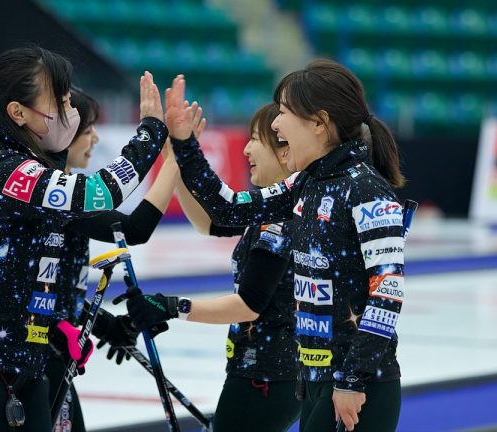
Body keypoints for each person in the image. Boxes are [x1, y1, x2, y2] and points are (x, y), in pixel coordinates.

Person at [0, 45, 184, 431]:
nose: (68, 111)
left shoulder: (30, 168)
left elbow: (124, 222)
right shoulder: (3, 169)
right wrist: (152, 132)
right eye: (58, 100)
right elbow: (99, 193)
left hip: (26, 373)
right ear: (18, 112)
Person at [139, 62, 406, 432]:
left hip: (357, 386)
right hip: (313, 380)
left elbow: (387, 293)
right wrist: (184, 143)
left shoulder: (366, 189)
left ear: (318, 122)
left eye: (282, 113)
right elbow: (227, 207)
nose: (276, 126)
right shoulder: (306, 183)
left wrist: (353, 380)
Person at [126, 102, 302, 431]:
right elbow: (207, 223)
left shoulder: (278, 220)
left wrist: (170, 306)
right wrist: (173, 160)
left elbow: (249, 305)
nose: (247, 149)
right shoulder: (271, 209)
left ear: (283, 152)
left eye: (255, 140)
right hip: (264, 372)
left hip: (264, 376)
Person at [43, 89, 180, 432]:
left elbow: (57, 291)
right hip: (34, 360)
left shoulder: (61, 192)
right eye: (87, 129)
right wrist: (176, 162)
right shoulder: (56, 196)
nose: (95, 137)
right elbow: (134, 228)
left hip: (51, 359)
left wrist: (106, 326)